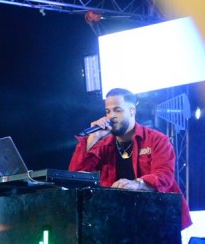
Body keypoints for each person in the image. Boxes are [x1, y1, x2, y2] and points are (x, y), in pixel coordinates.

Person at [68, 88, 192, 230]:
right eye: (108, 111)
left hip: (157, 220)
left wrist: (137, 184)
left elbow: (164, 176)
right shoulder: (103, 145)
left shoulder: (156, 139)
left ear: (132, 111)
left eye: (117, 110)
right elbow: (76, 176)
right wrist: (93, 137)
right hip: (118, 222)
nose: (111, 116)